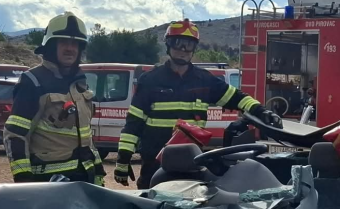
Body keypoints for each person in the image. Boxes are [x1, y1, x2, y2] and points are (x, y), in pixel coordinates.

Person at [114, 19, 280, 188]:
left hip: (191, 163)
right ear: (168, 45)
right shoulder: (150, 81)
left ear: (194, 48)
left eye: (189, 45)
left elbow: (238, 98)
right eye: (178, 43)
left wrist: (261, 111)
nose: (183, 50)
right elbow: (133, 124)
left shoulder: (205, 80)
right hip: (155, 163)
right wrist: (123, 159)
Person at [4, 12, 105, 186]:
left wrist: (98, 174)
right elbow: (15, 135)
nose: (70, 48)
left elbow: (86, 138)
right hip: (48, 185)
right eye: (64, 42)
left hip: (84, 182)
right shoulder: (33, 82)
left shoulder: (80, 84)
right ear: (50, 46)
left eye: (75, 43)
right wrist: (23, 180)